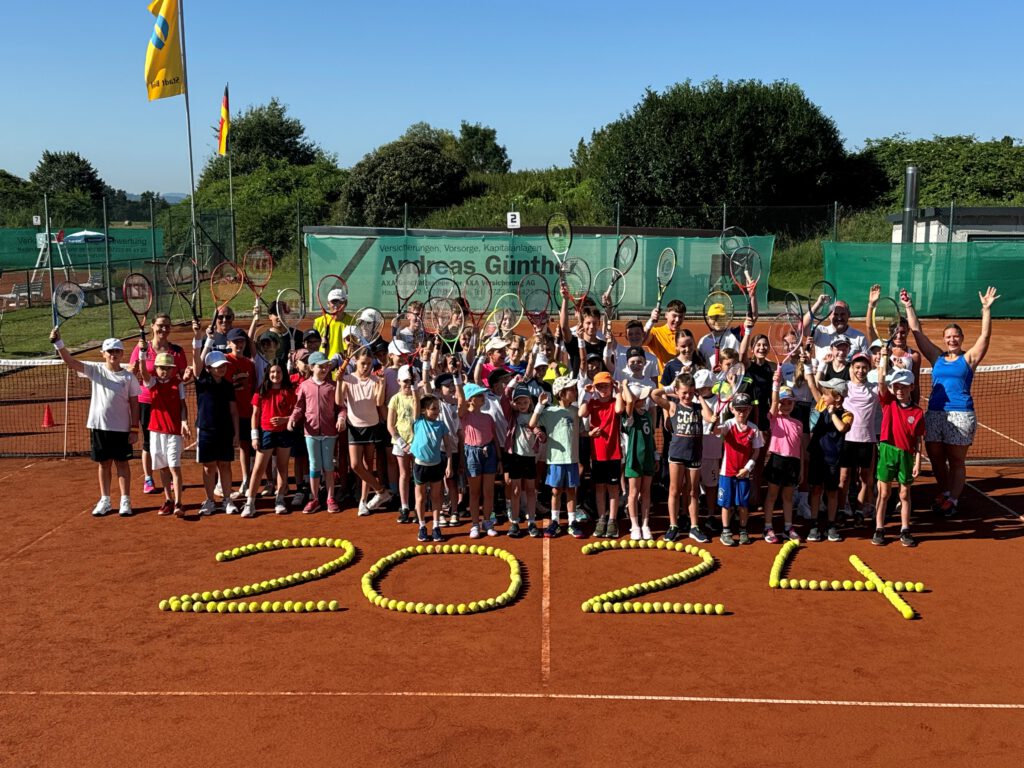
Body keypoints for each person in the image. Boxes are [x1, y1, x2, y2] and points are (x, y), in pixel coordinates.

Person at [902, 286, 999, 517]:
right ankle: (945, 492)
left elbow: (985, 337)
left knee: (956, 460)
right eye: (948, 337)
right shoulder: (937, 357)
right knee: (935, 458)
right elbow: (916, 332)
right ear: (944, 340)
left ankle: (953, 500)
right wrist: (908, 305)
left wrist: (986, 309)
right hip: (935, 414)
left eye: (956, 336)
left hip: (961, 414)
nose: (952, 339)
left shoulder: (969, 358)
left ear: (962, 339)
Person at [51, 331, 140, 517]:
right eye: (110, 351)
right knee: (104, 464)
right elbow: (71, 362)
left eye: (117, 351)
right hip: (99, 427)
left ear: (122, 354)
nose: (113, 355)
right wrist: (58, 343)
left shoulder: (129, 377)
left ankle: (125, 500)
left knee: (122, 464)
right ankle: (105, 500)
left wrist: (134, 429)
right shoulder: (95, 370)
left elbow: (134, 404)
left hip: (122, 429)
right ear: (103, 354)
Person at [651, 372, 715, 543]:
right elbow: (654, 394)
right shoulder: (672, 406)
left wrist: (700, 397)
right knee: (674, 490)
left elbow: (710, 417)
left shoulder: (698, 408)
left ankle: (694, 527)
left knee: (693, 491)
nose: (687, 396)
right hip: (677, 453)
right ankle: (673, 526)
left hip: (694, 454)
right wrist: (671, 388)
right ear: (678, 392)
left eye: (690, 392)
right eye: (684, 392)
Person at [129, 313, 187, 496]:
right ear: (152, 326)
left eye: (167, 326)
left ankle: (169, 480)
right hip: (146, 401)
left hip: (169, 404)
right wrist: (141, 354)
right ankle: (148, 478)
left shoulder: (176, 351)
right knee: (148, 443)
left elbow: (183, 375)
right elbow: (134, 373)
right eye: (160, 325)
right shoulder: (141, 349)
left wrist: (187, 376)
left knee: (169, 440)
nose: (164, 329)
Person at [873, 356, 925, 547]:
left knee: (904, 494)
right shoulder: (888, 402)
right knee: (884, 493)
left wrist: (918, 461)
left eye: (903, 386)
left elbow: (918, 439)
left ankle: (905, 529)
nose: (899, 390)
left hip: (906, 455)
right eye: (896, 387)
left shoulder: (918, 412)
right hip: (887, 451)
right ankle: (879, 528)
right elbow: (880, 381)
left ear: (911, 387)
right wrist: (884, 358)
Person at [337, 348, 392, 516]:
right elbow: (339, 401)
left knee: (368, 465)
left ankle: (363, 501)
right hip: (354, 427)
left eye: (369, 364)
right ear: (356, 363)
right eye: (362, 364)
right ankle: (381, 491)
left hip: (372, 426)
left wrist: (382, 384)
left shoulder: (376, 379)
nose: (366, 367)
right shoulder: (347, 379)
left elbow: (378, 401)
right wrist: (339, 382)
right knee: (355, 465)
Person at [136, 352, 190, 517]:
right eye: (161, 368)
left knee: (174, 466)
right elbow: (143, 372)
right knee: (163, 467)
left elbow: (183, 406)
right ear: (156, 369)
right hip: (156, 432)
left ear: (172, 370)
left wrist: (184, 422)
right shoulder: (152, 383)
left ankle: (179, 503)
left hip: (173, 432)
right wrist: (142, 354)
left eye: (167, 368)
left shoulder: (178, 384)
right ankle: (168, 500)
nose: (164, 371)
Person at [287, 351, 341, 514]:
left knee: (328, 466)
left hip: (329, 432)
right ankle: (315, 498)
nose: (324, 369)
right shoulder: (304, 386)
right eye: (320, 367)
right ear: (312, 367)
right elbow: (299, 406)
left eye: (326, 366)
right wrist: (292, 419)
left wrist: (341, 418)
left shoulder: (332, 386)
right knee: (314, 466)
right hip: (310, 433)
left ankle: (330, 498)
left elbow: (341, 408)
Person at [191, 337, 239, 517]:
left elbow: (233, 411)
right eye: (218, 366)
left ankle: (227, 499)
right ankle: (210, 500)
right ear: (209, 368)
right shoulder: (201, 382)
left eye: (223, 366)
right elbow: (196, 364)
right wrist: (199, 340)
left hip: (225, 431)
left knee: (225, 465)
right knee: (209, 466)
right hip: (206, 431)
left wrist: (236, 433)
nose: (222, 368)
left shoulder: (227, 386)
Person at [530, 375, 582, 538]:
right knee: (556, 491)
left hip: (572, 458)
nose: (574, 392)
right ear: (561, 393)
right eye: (571, 390)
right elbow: (532, 424)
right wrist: (539, 405)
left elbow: (581, 431)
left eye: (574, 389)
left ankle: (572, 522)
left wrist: (591, 433)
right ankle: (555, 522)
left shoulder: (576, 410)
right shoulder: (550, 411)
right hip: (555, 459)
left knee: (571, 491)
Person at [804, 372, 853, 542]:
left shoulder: (847, 414)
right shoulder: (821, 406)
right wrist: (809, 366)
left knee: (832, 492)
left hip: (833, 458)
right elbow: (812, 385)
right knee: (816, 489)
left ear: (838, 398)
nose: (823, 396)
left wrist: (832, 414)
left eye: (826, 394)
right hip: (818, 456)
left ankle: (831, 525)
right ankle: (814, 524)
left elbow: (842, 429)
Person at [245, 361, 297, 517]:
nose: (275, 375)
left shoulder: (289, 391)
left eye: (279, 372)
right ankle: (250, 502)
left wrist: (285, 420)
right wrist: (255, 436)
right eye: (272, 372)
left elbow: (296, 414)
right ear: (268, 374)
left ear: (283, 374)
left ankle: (280, 499)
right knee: (258, 468)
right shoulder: (261, 391)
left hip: (284, 433)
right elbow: (255, 414)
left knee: (282, 467)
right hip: (266, 433)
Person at [715, 392, 764, 546]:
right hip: (727, 472)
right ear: (733, 409)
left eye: (745, 409)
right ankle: (726, 531)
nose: (741, 413)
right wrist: (714, 423)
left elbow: (756, 451)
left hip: (744, 472)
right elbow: (717, 432)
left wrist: (748, 468)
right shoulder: (728, 424)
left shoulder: (753, 429)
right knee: (726, 504)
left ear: (749, 410)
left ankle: (743, 530)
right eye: (738, 409)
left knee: (743, 504)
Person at [760, 367, 803, 543]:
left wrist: (801, 470)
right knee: (771, 495)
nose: (785, 406)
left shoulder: (798, 424)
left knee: (788, 497)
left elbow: (799, 448)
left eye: (789, 403)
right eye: (782, 403)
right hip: (777, 461)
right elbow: (774, 401)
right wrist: (776, 383)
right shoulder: (774, 418)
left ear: (794, 404)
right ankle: (768, 527)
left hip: (793, 463)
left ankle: (787, 527)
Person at [578, 371, 622, 539]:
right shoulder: (593, 403)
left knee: (613, 488)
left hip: (614, 453)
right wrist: (587, 394)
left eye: (606, 385)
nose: (603, 389)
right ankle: (601, 518)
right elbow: (581, 413)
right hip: (597, 454)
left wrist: (618, 392)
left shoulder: (614, 402)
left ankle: (612, 520)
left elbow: (619, 409)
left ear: (612, 386)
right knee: (600, 488)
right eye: (599, 386)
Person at [839, 351, 879, 523]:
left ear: (869, 369)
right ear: (851, 368)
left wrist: (883, 359)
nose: (860, 371)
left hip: (867, 440)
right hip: (847, 440)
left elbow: (884, 381)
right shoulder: (844, 387)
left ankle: (861, 510)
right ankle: (842, 508)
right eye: (857, 367)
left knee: (865, 478)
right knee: (844, 477)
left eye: (864, 368)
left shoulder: (875, 389)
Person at [461, 382, 500, 538]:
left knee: (488, 492)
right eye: (478, 395)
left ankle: (487, 522)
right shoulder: (464, 415)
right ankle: (475, 524)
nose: (482, 397)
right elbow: (460, 403)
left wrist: (499, 458)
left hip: (489, 453)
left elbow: (495, 438)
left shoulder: (488, 417)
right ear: (470, 399)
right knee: (475, 492)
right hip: (472, 454)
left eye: (482, 394)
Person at [619, 380, 656, 540]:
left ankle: (645, 524)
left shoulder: (646, 414)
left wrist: (655, 455)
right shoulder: (629, 416)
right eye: (641, 398)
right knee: (633, 493)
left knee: (646, 492)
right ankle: (634, 525)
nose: (645, 400)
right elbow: (628, 402)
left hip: (647, 458)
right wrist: (625, 387)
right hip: (634, 459)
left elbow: (651, 437)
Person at [410, 393, 449, 542]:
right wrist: (414, 388)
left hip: (436, 465)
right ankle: (422, 526)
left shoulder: (441, 425)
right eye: (433, 408)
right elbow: (415, 402)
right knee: (420, 497)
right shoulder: (419, 422)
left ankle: (436, 526)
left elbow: (448, 447)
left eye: (438, 408)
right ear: (424, 410)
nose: (436, 411)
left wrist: (450, 463)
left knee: (436, 496)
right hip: (420, 465)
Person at [225, 328, 257, 502]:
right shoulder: (224, 361)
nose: (239, 344)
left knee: (245, 447)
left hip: (246, 412)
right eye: (235, 342)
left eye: (241, 341)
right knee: (226, 449)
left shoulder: (250, 364)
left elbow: (251, 388)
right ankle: (223, 483)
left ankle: (246, 480)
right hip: (228, 414)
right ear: (228, 343)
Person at [504, 384, 540, 537]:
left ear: (530, 402)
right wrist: (512, 383)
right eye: (519, 402)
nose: (522, 405)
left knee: (531, 490)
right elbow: (504, 399)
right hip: (516, 457)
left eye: (525, 402)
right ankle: (514, 522)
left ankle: (531, 521)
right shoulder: (513, 416)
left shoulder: (535, 415)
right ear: (515, 404)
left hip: (530, 457)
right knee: (516, 490)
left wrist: (541, 434)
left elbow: (540, 430)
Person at [387, 364, 418, 523]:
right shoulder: (395, 399)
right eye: (405, 381)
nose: (408, 384)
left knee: (418, 476)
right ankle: (405, 506)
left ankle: (419, 508)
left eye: (411, 381)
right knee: (404, 474)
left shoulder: (418, 397)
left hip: (418, 444)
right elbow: (390, 425)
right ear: (398, 381)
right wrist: (402, 443)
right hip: (401, 444)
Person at [643, 299, 687, 366]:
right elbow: (642, 341)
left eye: (680, 317)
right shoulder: (655, 332)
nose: (677, 320)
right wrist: (651, 321)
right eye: (674, 316)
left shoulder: (685, 337)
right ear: (666, 315)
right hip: (660, 376)